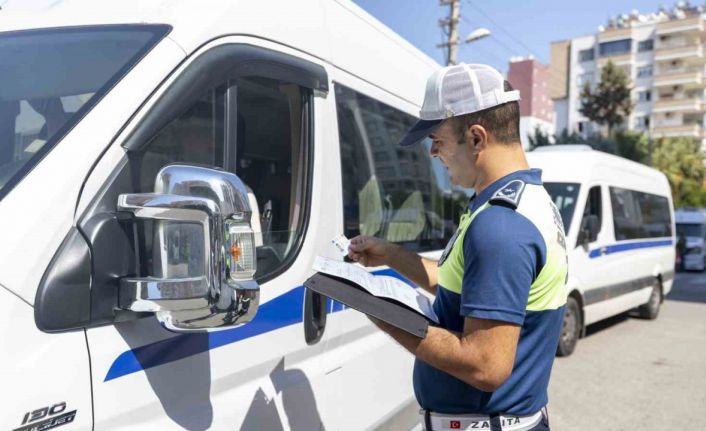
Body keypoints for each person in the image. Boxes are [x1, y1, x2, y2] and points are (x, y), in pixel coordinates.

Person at [347, 63, 568, 431]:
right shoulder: (520, 202)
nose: (432, 152)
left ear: (477, 138)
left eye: (438, 139)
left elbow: (486, 366)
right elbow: (468, 288)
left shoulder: (500, 225)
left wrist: (382, 313)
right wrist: (392, 255)